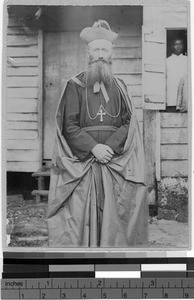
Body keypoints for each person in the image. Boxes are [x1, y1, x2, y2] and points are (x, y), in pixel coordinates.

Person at [47, 20, 148, 247]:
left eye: (104, 50)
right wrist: (94, 147)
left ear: (112, 53)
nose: (100, 54)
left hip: (114, 161)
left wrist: (109, 147)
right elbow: (68, 125)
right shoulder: (74, 85)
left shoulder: (121, 86)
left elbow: (129, 123)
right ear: (88, 53)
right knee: (82, 220)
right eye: (96, 50)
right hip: (85, 164)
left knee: (116, 220)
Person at [166, 38, 187, 107]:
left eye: (180, 44)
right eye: (176, 44)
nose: (178, 46)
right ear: (172, 46)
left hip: (184, 91)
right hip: (171, 91)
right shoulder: (167, 61)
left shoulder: (188, 60)